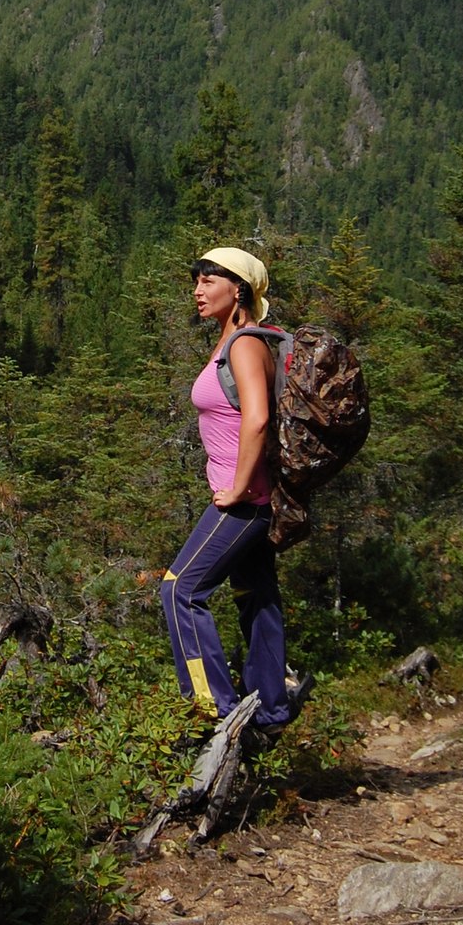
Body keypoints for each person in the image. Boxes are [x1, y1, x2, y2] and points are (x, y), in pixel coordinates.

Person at [160, 246, 309, 739]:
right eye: (196, 280)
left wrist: (240, 486)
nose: (197, 290)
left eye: (208, 280)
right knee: (256, 596)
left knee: (180, 589)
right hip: (251, 499)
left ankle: (213, 711)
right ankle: (269, 709)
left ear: (238, 288)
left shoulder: (245, 344)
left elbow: (259, 417)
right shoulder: (233, 340)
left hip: (243, 502)